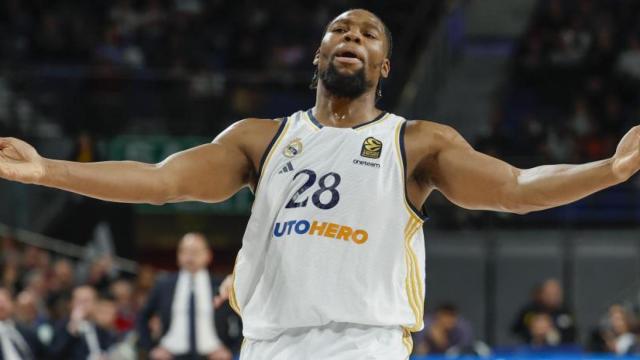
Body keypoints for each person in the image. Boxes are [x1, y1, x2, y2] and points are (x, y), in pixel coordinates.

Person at [1, 8, 640, 359]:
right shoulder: (261, 137)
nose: (351, 37)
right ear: (319, 53)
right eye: (340, 29)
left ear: (384, 66)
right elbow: (161, 180)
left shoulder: (416, 142)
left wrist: (610, 170)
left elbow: (519, 187)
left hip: (363, 344)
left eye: (367, 34)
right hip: (268, 344)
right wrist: (47, 171)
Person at [137, 233, 236, 360]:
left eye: (195, 252)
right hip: (171, 354)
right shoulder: (164, 284)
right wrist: (151, 348)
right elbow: (143, 317)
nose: (190, 257)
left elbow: (240, 318)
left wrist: (231, 349)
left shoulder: (221, 285)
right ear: (178, 255)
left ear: (208, 255)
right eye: (185, 251)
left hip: (213, 354)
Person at [49, 286, 116, 360]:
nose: (82, 304)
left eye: (86, 300)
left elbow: (111, 349)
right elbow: (54, 354)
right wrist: (72, 328)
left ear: (95, 304)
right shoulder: (62, 325)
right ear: (71, 303)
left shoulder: (100, 327)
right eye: (79, 300)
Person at [512, 279, 576, 344]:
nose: (552, 297)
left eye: (555, 294)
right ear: (542, 294)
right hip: (530, 351)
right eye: (549, 294)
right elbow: (515, 330)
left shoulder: (565, 313)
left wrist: (551, 333)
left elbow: (572, 335)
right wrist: (533, 331)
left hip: (559, 352)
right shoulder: (529, 310)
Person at [0, 287, 44, 360]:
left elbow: (45, 354)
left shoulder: (27, 331)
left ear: (13, 304)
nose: (1, 306)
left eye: (4, 301)